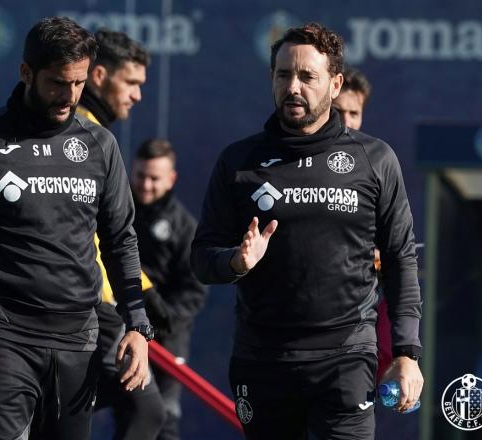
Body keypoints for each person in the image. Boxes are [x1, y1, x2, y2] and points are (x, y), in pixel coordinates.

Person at [0, 17, 151, 440]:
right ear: (26, 73)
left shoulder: (99, 146)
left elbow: (120, 240)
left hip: (79, 338)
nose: (68, 96)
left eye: (77, 84)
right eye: (57, 82)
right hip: (2, 333)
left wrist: (137, 325)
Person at [191, 22, 423, 439]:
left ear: (335, 84)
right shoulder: (239, 162)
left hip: (346, 358)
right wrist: (235, 261)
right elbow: (202, 257)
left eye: (307, 76)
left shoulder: (374, 159)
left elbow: (401, 257)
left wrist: (406, 352)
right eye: (284, 75)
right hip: (263, 361)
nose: (293, 87)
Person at [75, 29, 167, 440]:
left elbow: (108, 231)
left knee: (69, 408)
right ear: (98, 75)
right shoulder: (83, 134)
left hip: (102, 304)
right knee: (144, 407)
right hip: (92, 304)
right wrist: (137, 296)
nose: (137, 95)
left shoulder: (94, 132)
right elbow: (92, 231)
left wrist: (142, 289)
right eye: (131, 82)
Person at [130, 139, 207, 440]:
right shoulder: (116, 214)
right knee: (132, 416)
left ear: (171, 179)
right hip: (120, 334)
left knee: (164, 418)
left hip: (166, 342)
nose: (146, 185)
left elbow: (194, 290)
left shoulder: (184, 227)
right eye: (140, 176)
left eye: (154, 179)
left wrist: (161, 320)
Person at [332, 69, 393, 381]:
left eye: (354, 113)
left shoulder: (378, 167)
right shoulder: (291, 168)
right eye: (338, 111)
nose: (346, 121)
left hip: (358, 331)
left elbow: (397, 249)